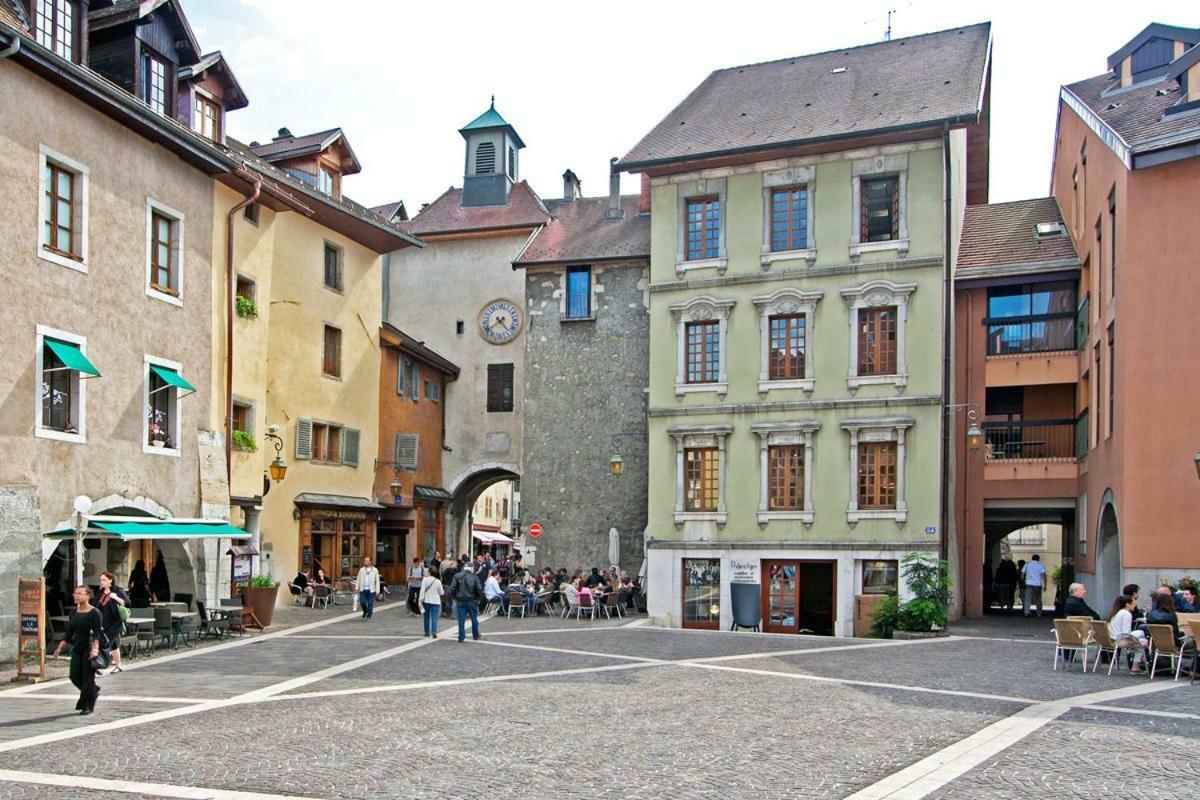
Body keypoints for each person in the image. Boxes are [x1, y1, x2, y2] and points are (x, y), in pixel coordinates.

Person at [67, 586, 103, 715]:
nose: (76, 596)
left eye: (79, 593)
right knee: (74, 676)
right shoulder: (73, 612)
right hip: (77, 647)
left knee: (87, 677)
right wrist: (60, 647)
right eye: (75, 593)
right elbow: (69, 632)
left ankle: (88, 705)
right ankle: (93, 691)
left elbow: (97, 633)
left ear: (88, 596)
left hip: (89, 648)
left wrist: (95, 649)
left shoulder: (94, 612)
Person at [95, 571, 128, 674]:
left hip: (114, 623)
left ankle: (99, 665)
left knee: (104, 643)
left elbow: (126, 602)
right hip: (102, 622)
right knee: (113, 645)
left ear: (110, 580)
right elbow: (95, 605)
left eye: (104, 579)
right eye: (100, 580)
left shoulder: (117, 590)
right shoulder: (100, 592)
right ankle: (118, 665)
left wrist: (115, 597)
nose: (102, 582)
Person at [1107, 594, 1147, 673]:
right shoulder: (1126, 614)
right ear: (1127, 604)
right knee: (1142, 641)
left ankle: (1136, 665)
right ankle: (1135, 666)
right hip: (1119, 640)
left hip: (1110, 640)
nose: (1134, 605)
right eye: (1133, 603)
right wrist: (1135, 641)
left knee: (1141, 636)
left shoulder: (1114, 613)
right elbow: (1126, 633)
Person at [449, 564, 485, 642]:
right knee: (474, 618)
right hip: (471, 600)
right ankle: (475, 635)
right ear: (471, 569)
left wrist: (455, 596)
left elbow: (452, 588)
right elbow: (479, 589)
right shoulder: (474, 577)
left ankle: (461, 637)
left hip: (460, 600)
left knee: (461, 619)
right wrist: (479, 598)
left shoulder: (457, 576)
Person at [418, 567, 444, 638]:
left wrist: (420, 600)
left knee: (426, 617)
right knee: (434, 617)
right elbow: (441, 593)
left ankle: (427, 632)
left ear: (429, 572)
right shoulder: (438, 581)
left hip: (426, 601)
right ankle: (434, 632)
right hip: (436, 601)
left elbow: (422, 591)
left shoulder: (425, 580)